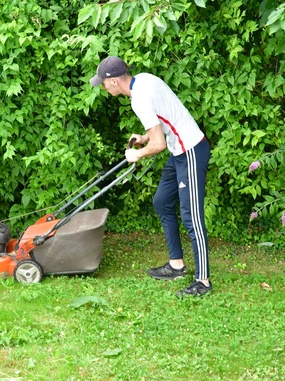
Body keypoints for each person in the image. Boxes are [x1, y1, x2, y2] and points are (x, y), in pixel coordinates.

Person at [89, 56, 212, 297]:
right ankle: (176, 264)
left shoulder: (139, 100)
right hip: (179, 150)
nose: (102, 87)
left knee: (192, 218)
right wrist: (145, 137)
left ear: (114, 81)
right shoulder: (142, 81)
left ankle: (203, 281)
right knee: (162, 202)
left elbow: (159, 144)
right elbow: (162, 119)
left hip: (191, 151)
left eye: (103, 83)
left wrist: (139, 154)